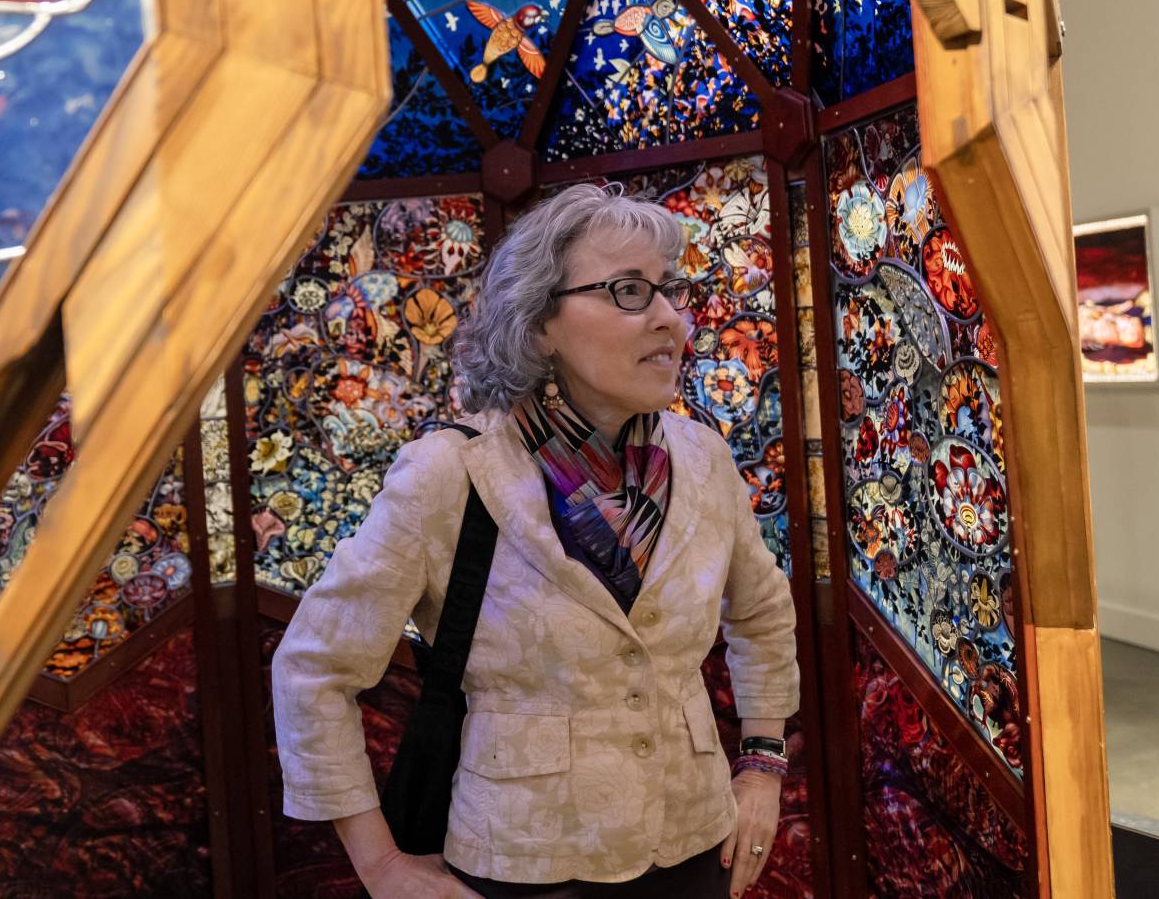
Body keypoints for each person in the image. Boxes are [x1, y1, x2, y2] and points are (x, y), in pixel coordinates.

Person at [272, 183, 801, 899]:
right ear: (539, 322)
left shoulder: (703, 459)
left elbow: (762, 613)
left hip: (694, 847)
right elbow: (313, 669)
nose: (671, 320)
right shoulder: (451, 474)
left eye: (670, 291)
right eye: (628, 291)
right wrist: (383, 867)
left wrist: (763, 767)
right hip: (523, 867)